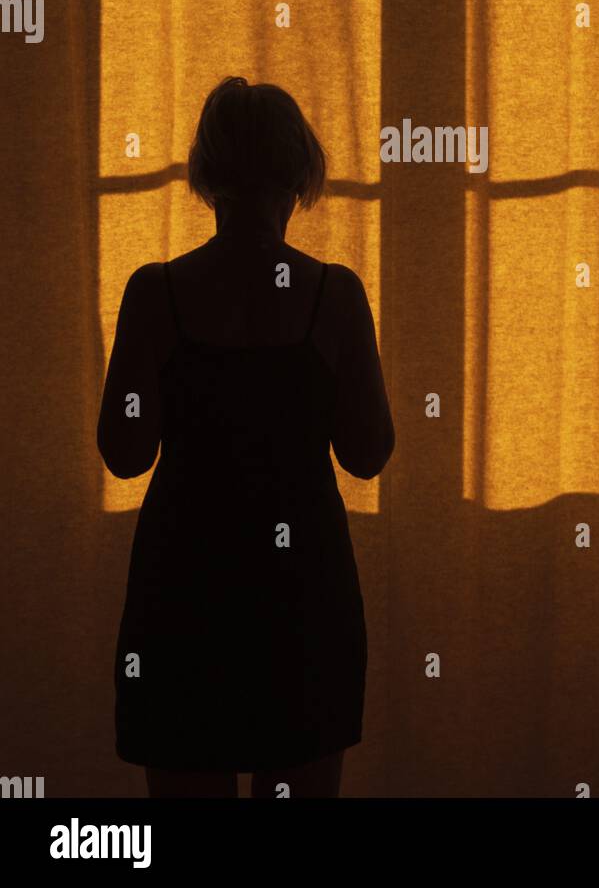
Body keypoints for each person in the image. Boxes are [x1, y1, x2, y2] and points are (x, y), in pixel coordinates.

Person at [97, 76, 395, 797]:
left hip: (184, 589)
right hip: (304, 595)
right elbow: (367, 453)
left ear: (206, 175)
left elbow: (125, 453)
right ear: (298, 175)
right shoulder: (334, 297)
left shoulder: (155, 294)